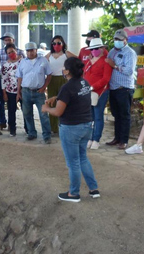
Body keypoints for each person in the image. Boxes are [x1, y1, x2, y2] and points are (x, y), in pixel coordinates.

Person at [42, 57, 100, 203]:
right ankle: (93, 189)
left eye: (64, 68)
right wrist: (57, 97)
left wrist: (46, 108)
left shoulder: (66, 87)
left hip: (71, 128)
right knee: (83, 158)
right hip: (86, 126)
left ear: (67, 71)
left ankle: (73, 194)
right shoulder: (84, 83)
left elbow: (58, 112)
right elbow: (74, 96)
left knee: (73, 162)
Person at [104, 29, 137, 150]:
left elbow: (129, 71)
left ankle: (124, 141)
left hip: (124, 88)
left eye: (119, 39)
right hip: (113, 88)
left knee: (124, 115)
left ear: (125, 40)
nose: (117, 41)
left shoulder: (130, 53)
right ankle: (117, 138)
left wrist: (114, 66)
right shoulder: (112, 51)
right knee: (116, 114)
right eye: (115, 39)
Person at [16, 42, 52, 144]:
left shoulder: (43, 60)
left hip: (39, 92)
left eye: (32, 50)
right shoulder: (23, 62)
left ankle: (47, 135)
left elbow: (49, 75)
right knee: (27, 114)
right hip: (26, 91)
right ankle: (31, 133)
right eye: (28, 51)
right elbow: (19, 77)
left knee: (43, 114)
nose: (30, 53)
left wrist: (44, 87)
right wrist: (18, 91)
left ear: (36, 50)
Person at [83, 38, 112, 150]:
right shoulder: (89, 61)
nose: (94, 51)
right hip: (88, 92)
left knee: (98, 116)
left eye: (96, 48)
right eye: (92, 49)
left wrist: (93, 87)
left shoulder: (106, 61)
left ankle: (96, 139)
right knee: (90, 117)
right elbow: (85, 75)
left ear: (102, 48)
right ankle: (90, 138)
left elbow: (106, 79)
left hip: (101, 92)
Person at [45, 35, 77, 134]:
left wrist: (70, 72)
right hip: (51, 79)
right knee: (52, 102)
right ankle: (53, 128)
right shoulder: (49, 54)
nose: (56, 45)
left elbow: (77, 60)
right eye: (54, 43)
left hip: (64, 80)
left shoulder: (66, 54)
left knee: (64, 102)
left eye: (59, 43)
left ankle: (64, 125)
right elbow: (41, 63)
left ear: (63, 44)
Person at [0, 32, 25, 132]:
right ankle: (9, 126)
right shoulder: (0, 53)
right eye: (5, 40)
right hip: (10, 88)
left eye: (9, 39)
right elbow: (2, 74)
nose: (7, 41)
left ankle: (28, 129)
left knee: (25, 109)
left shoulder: (22, 56)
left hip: (22, 88)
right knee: (10, 109)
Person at [1, 43, 21, 137]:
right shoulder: (5, 65)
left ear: (16, 50)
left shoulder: (23, 61)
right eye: (9, 53)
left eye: (12, 51)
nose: (11, 54)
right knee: (11, 111)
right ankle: (12, 130)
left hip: (22, 90)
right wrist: (4, 93)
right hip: (10, 91)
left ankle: (28, 129)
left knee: (26, 111)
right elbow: (3, 79)